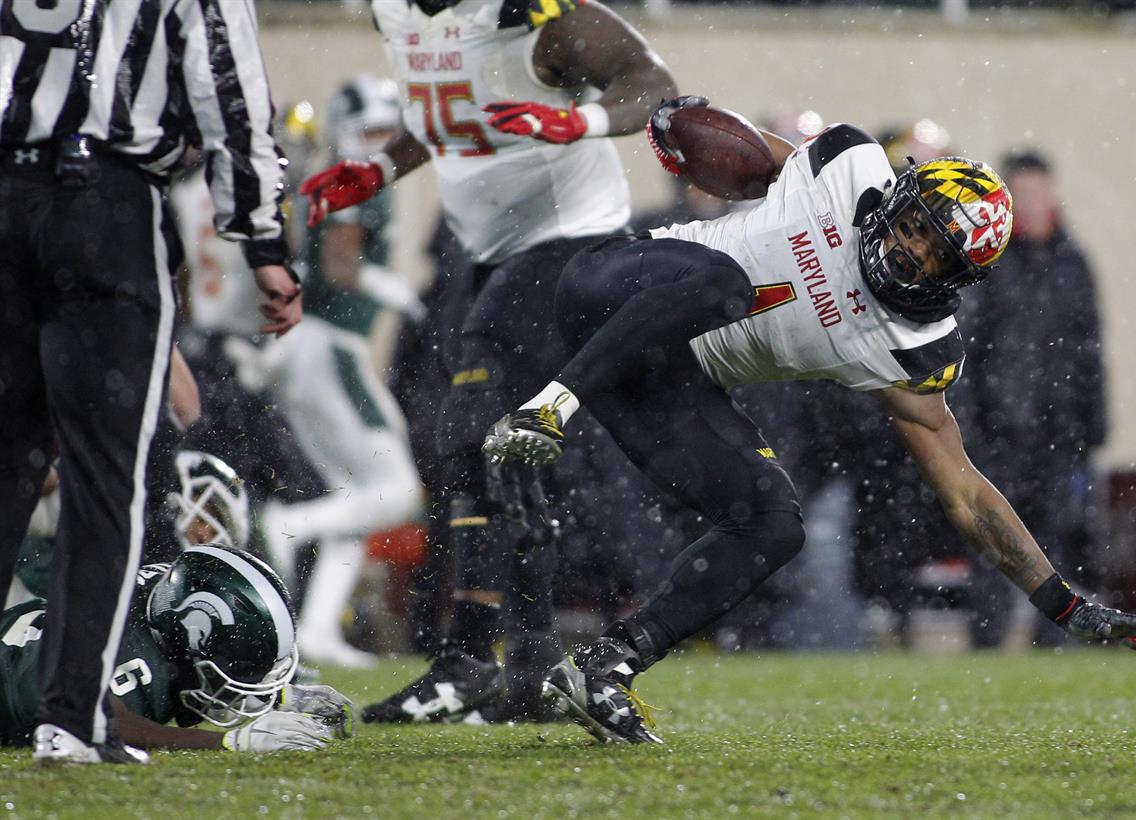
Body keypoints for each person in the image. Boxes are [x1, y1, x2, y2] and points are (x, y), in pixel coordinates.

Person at [483, 97, 1136, 744]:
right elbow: (756, 158)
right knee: (727, 281)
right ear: (897, 200)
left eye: (938, 255)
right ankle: (543, 411)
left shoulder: (913, 348)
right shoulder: (848, 167)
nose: (912, 252)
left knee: (774, 522)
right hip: (610, 289)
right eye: (915, 228)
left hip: (664, 383)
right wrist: (683, 121)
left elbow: (965, 493)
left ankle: (605, 666)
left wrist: (1063, 603)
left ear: (959, 281)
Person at [301, 0, 677, 722]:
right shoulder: (399, 16)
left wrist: (581, 121)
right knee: (507, 450)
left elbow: (650, 81)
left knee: (471, 431)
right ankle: (529, 670)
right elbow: (443, 113)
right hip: (491, 248)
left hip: (571, 239)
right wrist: (380, 168)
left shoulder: (529, 15)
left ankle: (470, 659)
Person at [0, 0, 300, 764]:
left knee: (7, 466)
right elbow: (227, 85)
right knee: (107, 482)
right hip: (103, 198)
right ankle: (72, 719)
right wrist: (261, 237)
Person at [255, 75, 425, 670]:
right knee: (397, 489)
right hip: (329, 345)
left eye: (388, 131)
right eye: (372, 130)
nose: (381, 142)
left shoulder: (332, 175)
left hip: (308, 348)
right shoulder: (361, 183)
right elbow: (340, 263)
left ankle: (319, 627)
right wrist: (393, 288)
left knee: (357, 496)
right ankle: (285, 525)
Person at [953, 150, 1108, 648]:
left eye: (1037, 191)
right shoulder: (990, 262)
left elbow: (1090, 347)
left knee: (1058, 539)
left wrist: (1093, 422)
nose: (1031, 203)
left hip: (1059, 431)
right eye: (1021, 194)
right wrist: (973, 423)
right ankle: (988, 640)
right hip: (1001, 431)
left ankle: (1053, 639)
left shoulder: (1073, 262)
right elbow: (971, 348)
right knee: (996, 540)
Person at [0, 546, 353, 756]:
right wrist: (228, 742)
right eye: (242, 664)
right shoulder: (124, 646)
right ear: (193, 627)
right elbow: (93, 719)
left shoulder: (163, 615)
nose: (247, 673)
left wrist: (280, 697)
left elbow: (190, 677)